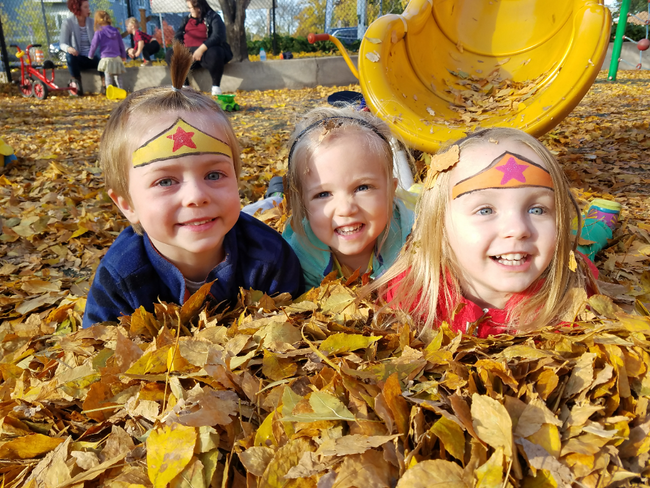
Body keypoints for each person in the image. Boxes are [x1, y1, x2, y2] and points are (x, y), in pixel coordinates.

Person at [83, 42, 303, 328]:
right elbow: (99, 353)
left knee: (269, 205)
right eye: (165, 181)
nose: (196, 196)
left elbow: (293, 336)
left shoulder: (270, 257)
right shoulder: (120, 277)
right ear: (127, 205)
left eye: (214, 175)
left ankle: (276, 193)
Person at [373, 127, 600, 338]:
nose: (518, 229)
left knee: (588, 244)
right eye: (485, 210)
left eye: (537, 209)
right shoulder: (410, 296)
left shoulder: (575, 293)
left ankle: (599, 224)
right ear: (439, 228)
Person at [282, 106, 415, 291]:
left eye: (362, 188)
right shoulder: (299, 255)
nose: (345, 209)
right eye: (323, 194)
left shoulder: (413, 240)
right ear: (303, 204)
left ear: (390, 191)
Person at [166, 0, 233, 96]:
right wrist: (180, 49)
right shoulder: (186, 20)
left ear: (198, 8)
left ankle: (215, 86)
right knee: (170, 54)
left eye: (190, 8)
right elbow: (178, 36)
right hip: (188, 53)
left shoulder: (213, 17)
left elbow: (218, 36)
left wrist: (201, 49)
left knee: (216, 52)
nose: (189, 10)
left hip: (206, 53)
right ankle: (185, 86)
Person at [59, 0, 103, 95]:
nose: (89, 9)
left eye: (88, 7)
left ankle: (106, 85)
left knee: (101, 52)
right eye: (85, 7)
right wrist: (69, 48)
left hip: (93, 58)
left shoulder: (93, 22)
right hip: (78, 58)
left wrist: (127, 49)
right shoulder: (68, 23)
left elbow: (107, 37)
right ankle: (77, 85)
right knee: (69, 56)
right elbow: (62, 43)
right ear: (77, 8)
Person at [89, 11, 127, 89]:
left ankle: (109, 91)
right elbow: (121, 44)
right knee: (118, 76)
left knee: (108, 76)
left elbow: (94, 44)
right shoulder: (116, 31)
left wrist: (91, 55)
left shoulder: (99, 32)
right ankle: (121, 90)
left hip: (106, 58)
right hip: (117, 58)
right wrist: (123, 55)